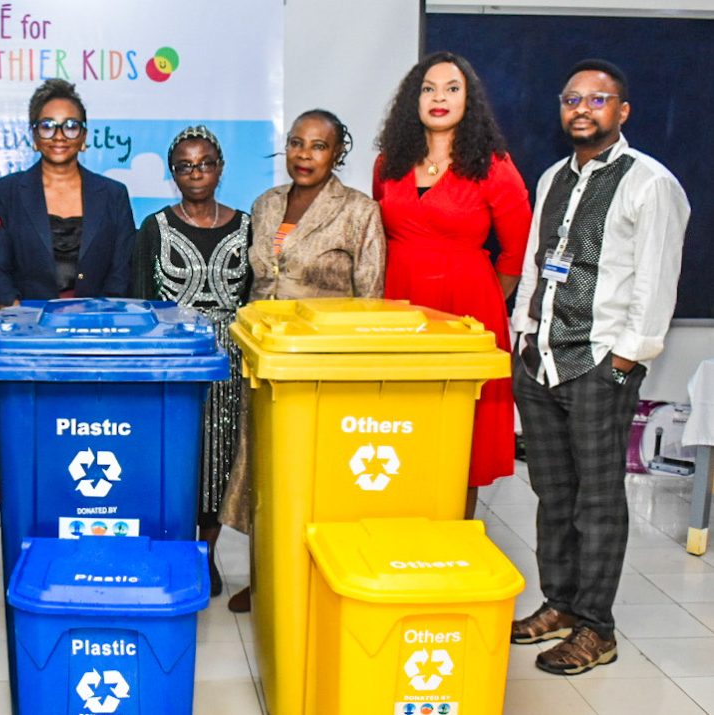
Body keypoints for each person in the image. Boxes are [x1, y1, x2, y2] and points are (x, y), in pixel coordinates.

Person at [510, 59, 689, 675]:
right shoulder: (552, 177)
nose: (582, 109)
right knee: (552, 492)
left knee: (598, 500)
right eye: (572, 99)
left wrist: (624, 359)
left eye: (597, 99)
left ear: (622, 110)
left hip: (599, 364)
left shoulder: (649, 183)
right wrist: (522, 333)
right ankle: (560, 605)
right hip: (540, 360)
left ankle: (596, 628)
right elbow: (537, 263)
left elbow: (657, 281)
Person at [221, 109, 387, 611]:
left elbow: (371, 298)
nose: (304, 155)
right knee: (266, 471)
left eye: (318, 146)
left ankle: (315, 577)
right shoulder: (266, 203)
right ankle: (265, 577)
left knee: (314, 475)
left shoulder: (359, 211)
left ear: (338, 152)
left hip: (324, 367)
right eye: (296, 143)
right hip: (265, 360)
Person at [373, 51, 531, 517]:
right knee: (401, 423)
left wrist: (483, 301)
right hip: (399, 310)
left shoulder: (494, 166)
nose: (439, 97)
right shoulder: (389, 163)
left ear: (469, 100)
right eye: (428, 88)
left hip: (467, 312)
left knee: (463, 432)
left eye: (452, 88)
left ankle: (455, 532)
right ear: (414, 99)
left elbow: (518, 251)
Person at [129, 125, 252, 597]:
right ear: (173, 173)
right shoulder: (154, 227)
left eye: (204, 164)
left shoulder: (246, 226)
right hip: (173, 363)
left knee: (220, 461)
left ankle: (207, 554)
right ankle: (178, 551)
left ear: (220, 169)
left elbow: (254, 298)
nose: (195, 173)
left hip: (229, 365)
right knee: (176, 458)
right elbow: (141, 301)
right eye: (184, 166)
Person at [0, 79, 135, 307]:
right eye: (47, 126)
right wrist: (20, 318)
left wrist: (100, 317)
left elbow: (121, 274)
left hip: (99, 320)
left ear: (83, 136)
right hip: (25, 321)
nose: (59, 135)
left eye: (71, 126)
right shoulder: (6, 192)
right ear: (34, 136)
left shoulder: (114, 195)